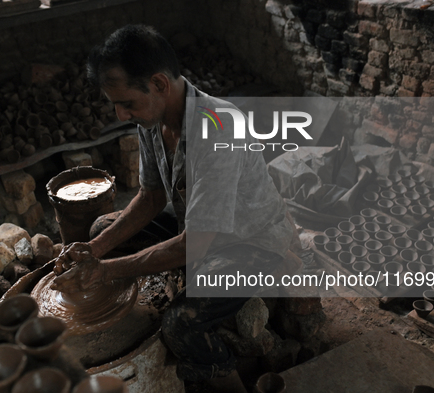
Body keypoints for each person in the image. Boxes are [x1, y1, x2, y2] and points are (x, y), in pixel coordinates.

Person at [51, 24, 302, 393]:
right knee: (99, 229)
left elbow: (195, 244)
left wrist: (105, 271)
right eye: (116, 104)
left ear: (159, 84)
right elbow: (151, 196)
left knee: (181, 322)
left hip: (249, 242)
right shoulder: (153, 119)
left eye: (127, 103)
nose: (121, 114)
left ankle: (232, 384)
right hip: (199, 227)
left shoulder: (219, 128)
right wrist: (95, 251)